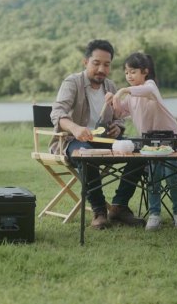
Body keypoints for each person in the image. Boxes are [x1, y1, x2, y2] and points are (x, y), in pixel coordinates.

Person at [50, 39, 145, 230]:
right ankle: (99, 211)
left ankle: (119, 206)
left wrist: (118, 127)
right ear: (85, 62)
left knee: (141, 153)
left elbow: (119, 117)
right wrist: (76, 128)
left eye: (107, 64)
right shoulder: (72, 82)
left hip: (105, 140)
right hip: (73, 141)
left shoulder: (110, 86)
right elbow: (57, 113)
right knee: (87, 154)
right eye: (96, 63)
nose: (101, 69)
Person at [107, 52, 177, 231]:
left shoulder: (150, 86)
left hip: (170, 140)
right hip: (149, 142)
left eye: (133, 71)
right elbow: (120, 113)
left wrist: (122, 90)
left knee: (172, 175)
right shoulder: (130, 96)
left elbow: (147, 91)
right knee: (153, 177)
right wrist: (113, 100)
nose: (129, 76)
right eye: (126, 72)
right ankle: (154, 214)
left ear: (145, 71)